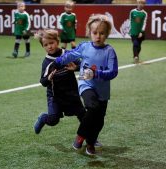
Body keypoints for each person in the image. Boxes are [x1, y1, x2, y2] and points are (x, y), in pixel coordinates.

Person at [51, 14, 118, 155]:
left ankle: (90, 143)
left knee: (99, 121)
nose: (98, 36)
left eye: (102, 33)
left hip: (103, 90)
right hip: (85, 83)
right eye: (95, 33)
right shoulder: (84, 46)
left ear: (107, 34)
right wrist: (56, 62)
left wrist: (97, 73)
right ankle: (80, 136)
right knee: (92, 107)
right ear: (89, 33)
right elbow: (70, 55)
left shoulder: (110, 51)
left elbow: (113, 72)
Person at [33, 29, 85, 135]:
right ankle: (43, 118)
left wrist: (75, 68)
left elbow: (83, 65)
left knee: (83, 115)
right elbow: (43, 81)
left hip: (71, 93)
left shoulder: (68, 54)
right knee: (53, 120)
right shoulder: (47, 62)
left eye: (51, 43)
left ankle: (91, 138)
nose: (49, 46)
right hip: (55, 96)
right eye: (46, 45)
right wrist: (49, 78)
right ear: (43, 46)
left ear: (57, 41)